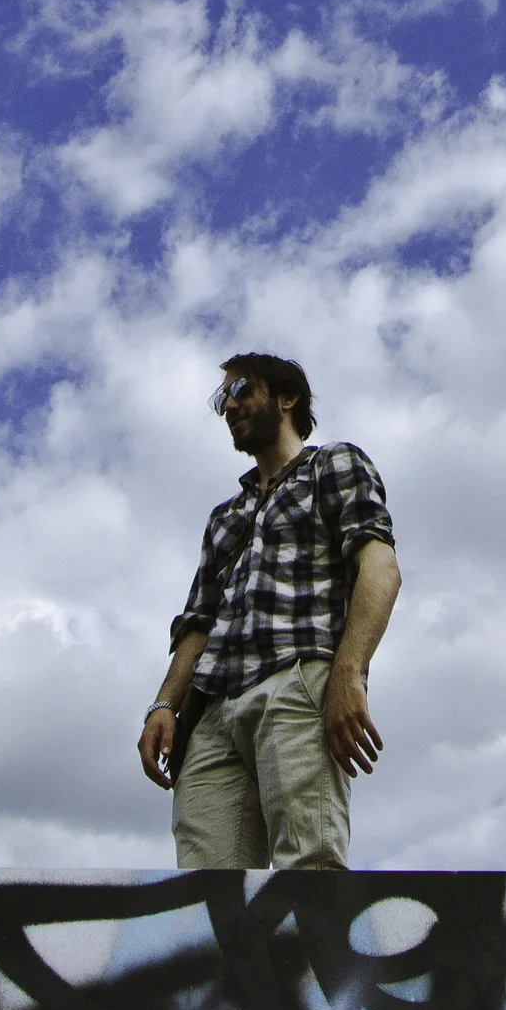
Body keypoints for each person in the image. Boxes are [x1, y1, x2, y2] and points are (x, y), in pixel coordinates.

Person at [135, 353, 401, 869]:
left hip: (296, 680)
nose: (228, 405)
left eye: (240, 390)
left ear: (287, 397)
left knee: (308, 871)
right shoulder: (225, 517)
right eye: (222, 398)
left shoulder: (334, 466)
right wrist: (164, 704)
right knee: (207, 897)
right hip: (211, 713)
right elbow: (197, 622)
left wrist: (349, 674)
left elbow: (380, 568)